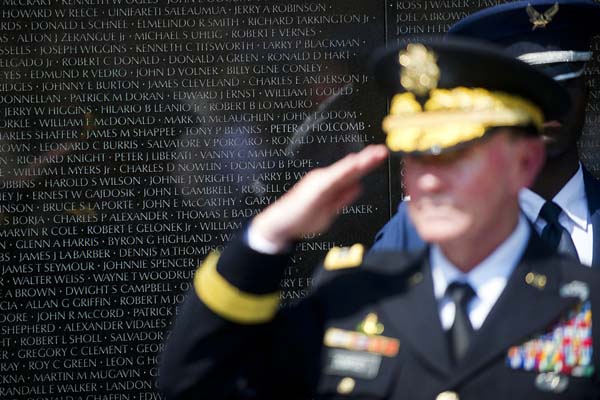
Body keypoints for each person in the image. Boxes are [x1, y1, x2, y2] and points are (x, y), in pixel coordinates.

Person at [159, 39, 600, 399]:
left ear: (523, 161)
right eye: (415, 156)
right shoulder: (355, 297)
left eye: (454, 154)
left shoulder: (584, 303)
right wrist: (269, 235)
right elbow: (193, 382)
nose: (427, 181)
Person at [371, 0, 600, 268]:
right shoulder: (415, 234)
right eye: (525, 96)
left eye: (563, 87)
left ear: (587, 93)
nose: (546, 108)